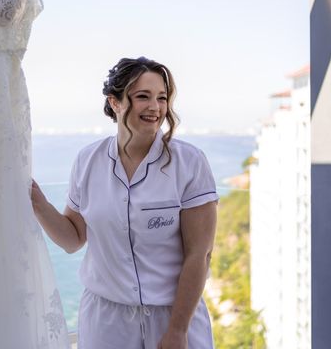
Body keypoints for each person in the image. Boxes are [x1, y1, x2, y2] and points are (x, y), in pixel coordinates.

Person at [31, 56, 218, 349]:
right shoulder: (88, 160)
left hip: (172, 318)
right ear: (115, 102)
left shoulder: (190, 163)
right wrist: (37, 201)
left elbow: (199, 255)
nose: (155, 107)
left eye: (162, 97)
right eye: (143, 96)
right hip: (106, 322)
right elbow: (73, 239)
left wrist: (178, 330)